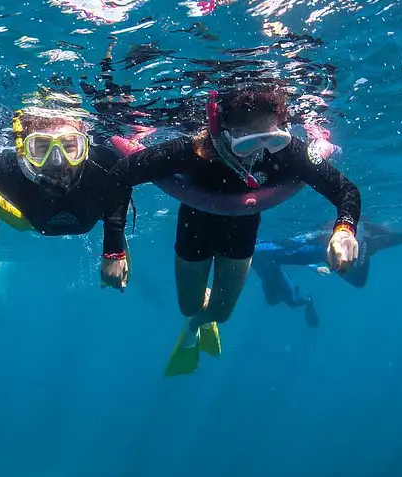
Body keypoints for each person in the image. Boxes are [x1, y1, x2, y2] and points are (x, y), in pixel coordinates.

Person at [112, 84, 362, 376]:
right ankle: (193, 318)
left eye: (273, 140)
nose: (259, 152)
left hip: (241, 235)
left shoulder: (291, 152)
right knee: (188, 306)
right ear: (221, 130)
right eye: (247, 143)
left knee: (221, 314)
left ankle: (197, 327)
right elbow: (121, 174)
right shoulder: (192, 150)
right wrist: (114, 246)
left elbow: (345, 189)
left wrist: (344, 230)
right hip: (195, 230)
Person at [0, 105, 131, 290]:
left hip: (55, 219)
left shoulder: (107, 162)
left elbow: (136, 177)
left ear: (86, 143)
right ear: (24, 149)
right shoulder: (8, 168)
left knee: (113, 202)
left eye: (70, 145)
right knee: (22, 224)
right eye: (41, 148)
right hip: (30, 220)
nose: (58, 161)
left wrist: (114, 246)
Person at [252, 222, 402, 326]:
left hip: (327, 252)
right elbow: (284, 251)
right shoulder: (258, 255)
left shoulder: (255, 253)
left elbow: (285, 249)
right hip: (323, 253)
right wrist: (314, 268)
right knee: (363, 259)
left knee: (361, 269)